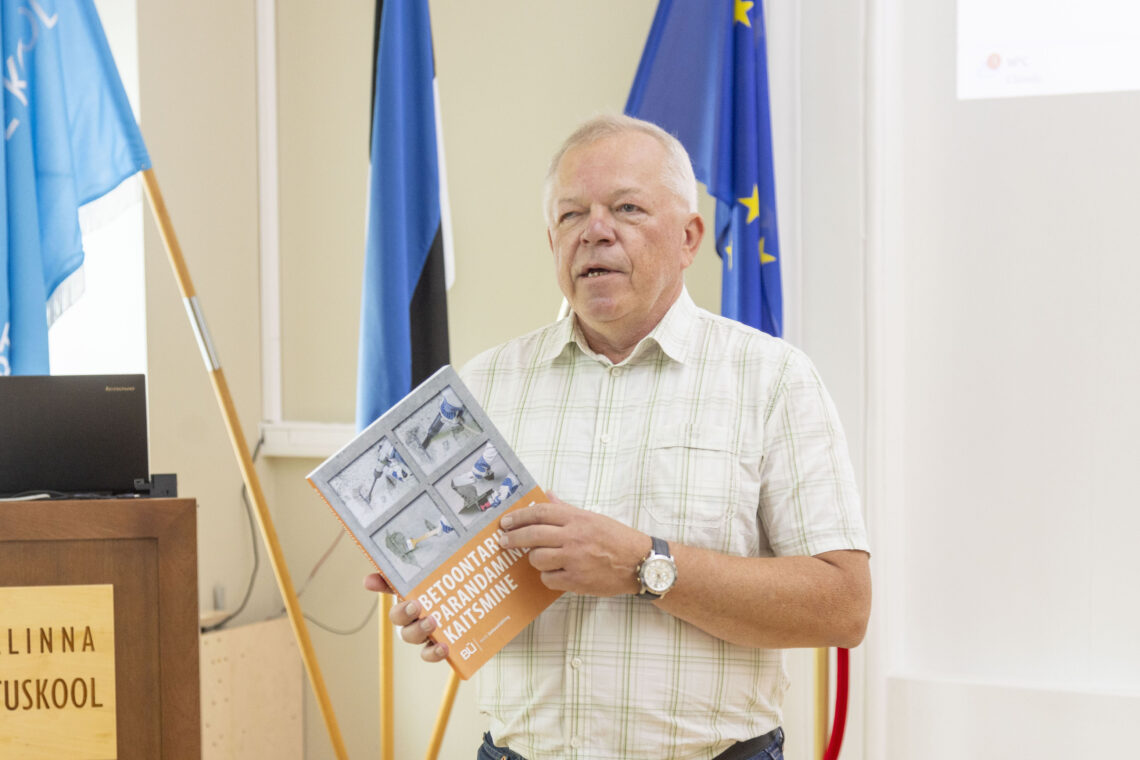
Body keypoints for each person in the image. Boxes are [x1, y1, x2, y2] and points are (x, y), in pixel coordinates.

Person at [365, 114, 871, 760]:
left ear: (689, 238)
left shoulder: (773, 380)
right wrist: (443, 609)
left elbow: (843, 606)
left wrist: (643, 565)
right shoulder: (486, 383)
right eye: (571, 214)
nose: (595, 231)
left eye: (627, 208)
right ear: (552, 240)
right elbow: (473, 588)